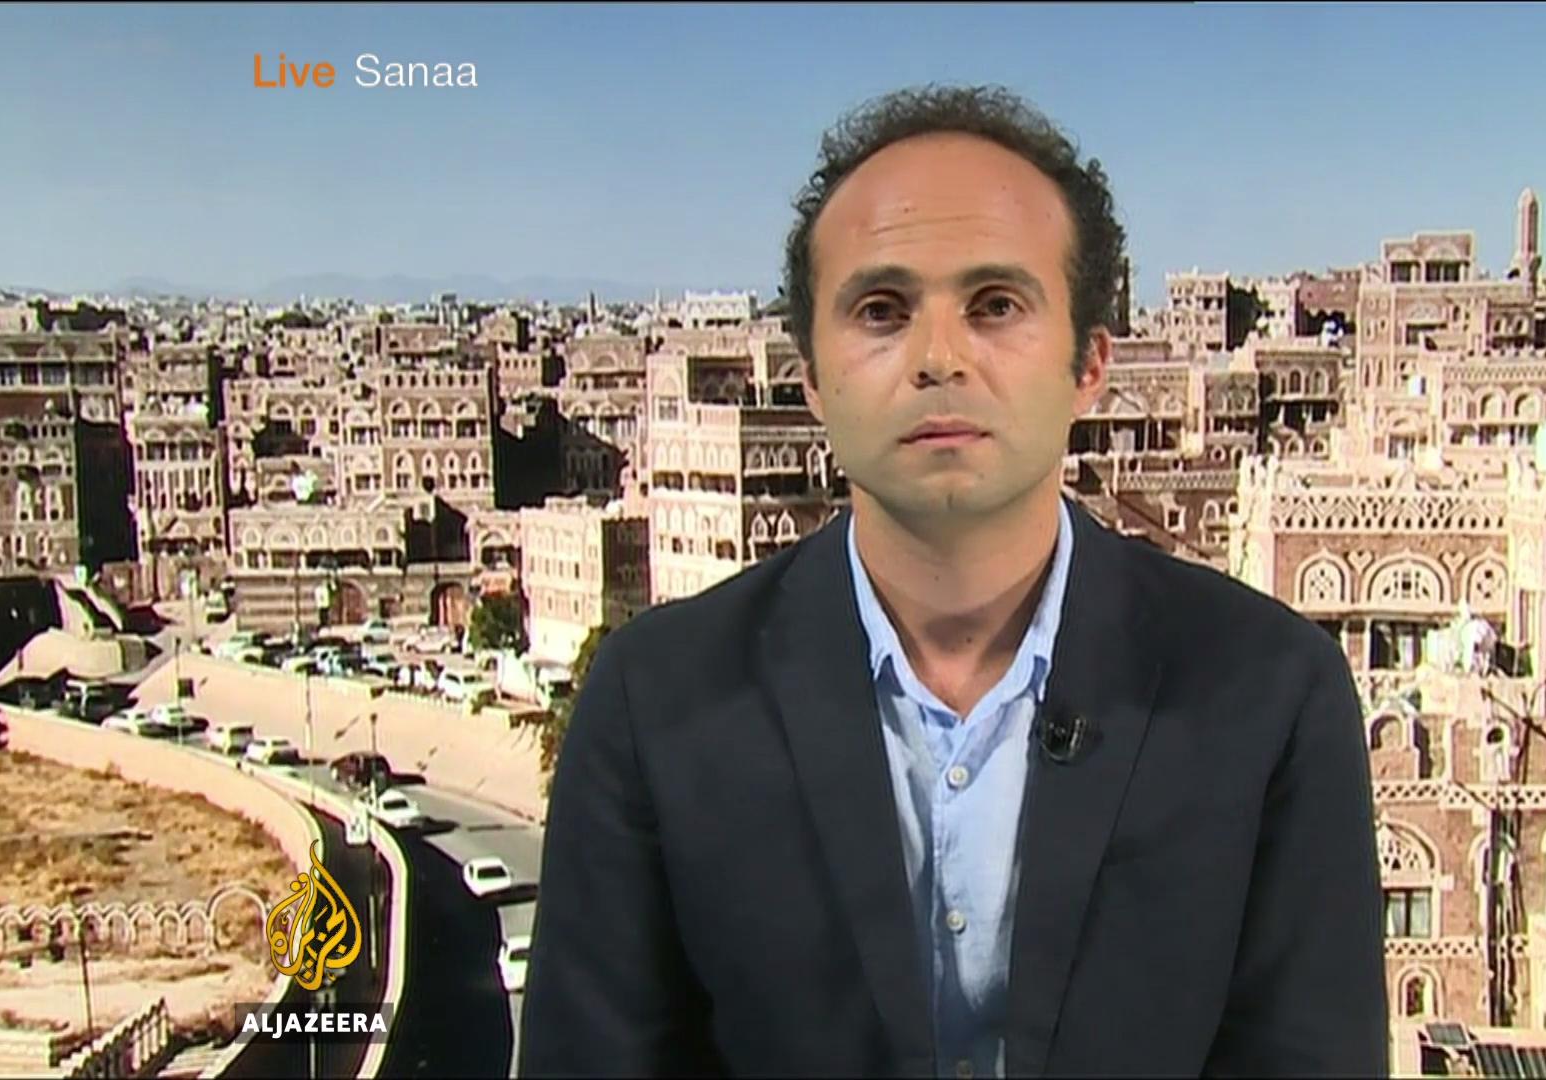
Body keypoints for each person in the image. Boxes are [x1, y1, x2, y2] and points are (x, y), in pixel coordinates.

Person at [521, 84, 1387, 1078]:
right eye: (882, 311)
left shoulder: (1267, 694)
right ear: (811, 378)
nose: (939, 357)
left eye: (996, 306)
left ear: (1090, 364)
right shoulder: (659, 705)